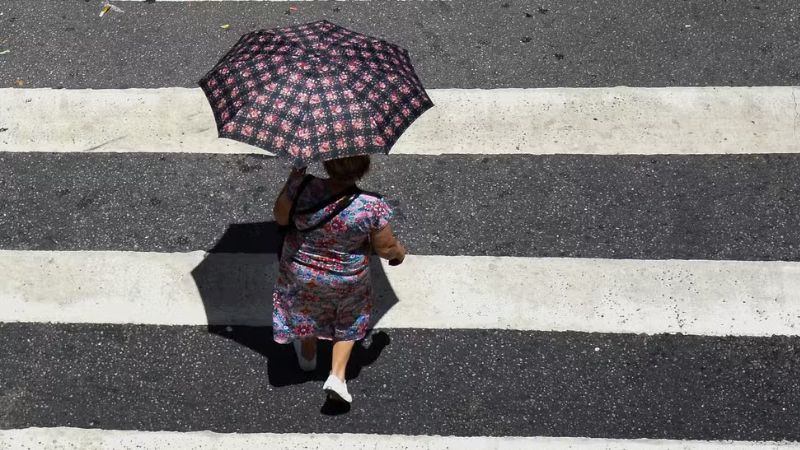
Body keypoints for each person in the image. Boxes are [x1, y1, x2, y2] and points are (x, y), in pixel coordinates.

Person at [272, 155, 406, 404]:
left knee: (305, 309)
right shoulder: (371, 205)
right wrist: (399, 252)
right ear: (363, 168)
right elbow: (386, 248)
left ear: (326, 163)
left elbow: (280, 217)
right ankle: (337, 375)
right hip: (347, 277)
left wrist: (295, 175)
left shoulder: (302, 187)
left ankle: (308, 356)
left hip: (301, 270)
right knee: (349, 316)